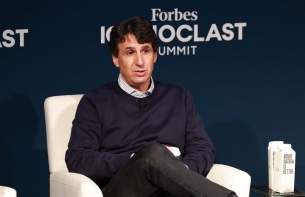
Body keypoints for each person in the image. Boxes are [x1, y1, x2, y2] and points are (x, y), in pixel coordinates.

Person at [65, 15, 238, 197]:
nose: (139, 62)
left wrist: (176, 172)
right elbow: (78, 158)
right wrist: (134, 159)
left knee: (158, 159)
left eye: (145, 51)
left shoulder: (178, 96)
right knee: (152, 152)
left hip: (172, 189)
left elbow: (203, 148)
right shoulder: (95, 101)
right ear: (116, 59)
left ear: (155, 55)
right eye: (130, 52)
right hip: (124, 188)